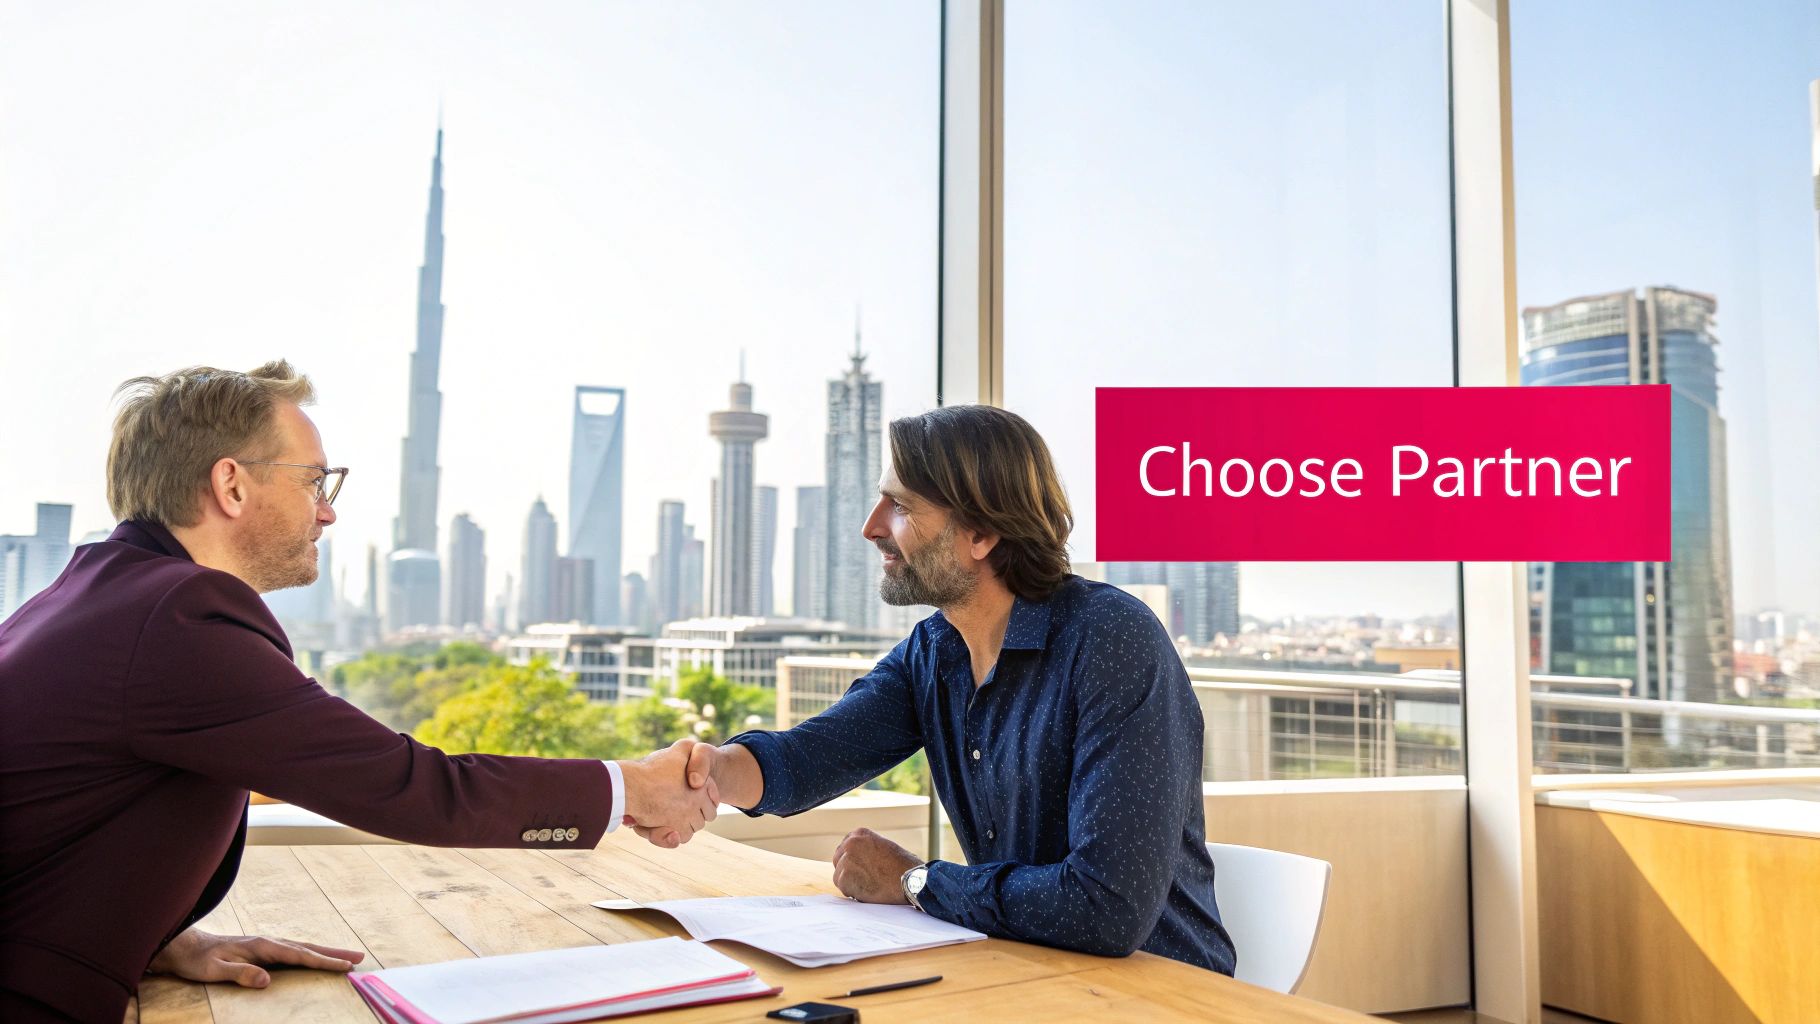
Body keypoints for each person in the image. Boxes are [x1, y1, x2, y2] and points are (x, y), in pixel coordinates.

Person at [0, 362, 717, 1022]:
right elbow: (411, 786)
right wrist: (632, 788)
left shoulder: (85, 595)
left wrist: (151, 938)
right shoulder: (181, 617)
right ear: (231, 485)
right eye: (314, 481)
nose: (328, 511)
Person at [652, 405, 1237, 974]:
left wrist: (915, 881)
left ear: (981, 532)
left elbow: (1106, 909)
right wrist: (710, 770)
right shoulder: (935, 649)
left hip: (1161, 990)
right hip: (1027, 971)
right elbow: (812, 756)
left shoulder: (1110, 639)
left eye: (900, 506)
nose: (871, 526)